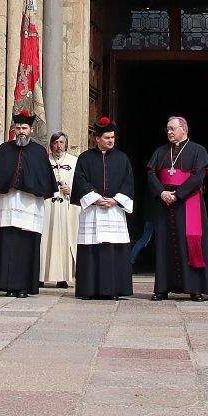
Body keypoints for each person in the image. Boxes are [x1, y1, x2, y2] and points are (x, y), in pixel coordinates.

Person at [147, 116, 208, 301]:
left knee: (190, 244)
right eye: (167, 129)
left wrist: (178, 194)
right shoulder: (161, 151)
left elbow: (198, 176)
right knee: (165, 244)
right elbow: (151, 173)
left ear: (184, 129)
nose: (169, 132)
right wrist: (161, 192)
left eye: (172, 128)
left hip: (188, 202)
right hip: (165, 204)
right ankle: (162, 288)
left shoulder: (198, 150)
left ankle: (195, 288)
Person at [0, 113, 56, 298]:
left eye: (24, 128)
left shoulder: (38, 152)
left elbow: (44, 180)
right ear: (13, 130)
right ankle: (5, 284)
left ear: (30, 130)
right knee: (6, 245)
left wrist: (28, 184)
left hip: (29, 208)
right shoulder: (4, 149)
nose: (21, 132)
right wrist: (7, 182)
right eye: (18, 128)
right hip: (7, 206)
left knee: (26, 246)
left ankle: (23, 286)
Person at [73, 117, 135, 300]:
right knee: (92, 249)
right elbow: (79, 180)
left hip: (114, 211)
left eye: (113, 137)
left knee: (112, 249)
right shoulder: (85, 158)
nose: (111, 141)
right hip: (93, 210)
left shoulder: (122, 158)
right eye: (107, 137)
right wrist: (95, 198)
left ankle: (113, 290)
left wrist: (115, 200)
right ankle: (89, 290)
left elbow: (128, 182)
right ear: (97, 138)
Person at [41, 132, 79, 288]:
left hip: (66, 206)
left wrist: (71, 190)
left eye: (61, 142)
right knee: (45, 240)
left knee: (64, 239)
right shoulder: (44, 161)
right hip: (47, 205)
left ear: (66, 144)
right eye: (55, 142)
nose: (58, 145)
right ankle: (41, 275)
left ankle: (63, 277)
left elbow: (81, 183)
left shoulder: (74, 161)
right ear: (51, 145)